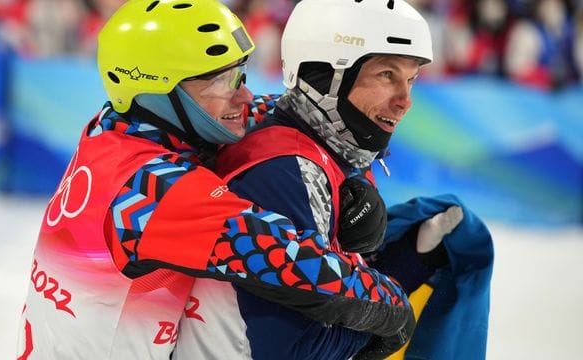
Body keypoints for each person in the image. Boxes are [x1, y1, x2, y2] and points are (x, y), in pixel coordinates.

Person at [16, 0, 416, 358]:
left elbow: (270, 110)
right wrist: (395, 308)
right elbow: (292, 262)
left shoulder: (114, 129)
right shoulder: (154, 192)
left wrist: (346, 167)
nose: (243, 96)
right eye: (220, 82)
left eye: (239, 74)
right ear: (159, 92)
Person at [174, 0, 493, 359]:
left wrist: (414, 256)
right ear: (326, 77)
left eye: (411, 80)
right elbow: (299, 351)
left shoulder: (333, 147)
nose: (406, 101)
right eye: (386, 75)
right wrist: (394, 307)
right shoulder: (283, 168)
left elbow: (327, 292)